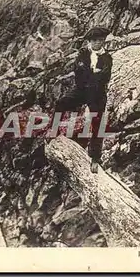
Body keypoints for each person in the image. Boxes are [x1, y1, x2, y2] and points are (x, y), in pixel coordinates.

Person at [54, 27, 113, 173]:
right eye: (95, 41)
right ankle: (53, 132)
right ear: (90, 41)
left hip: (97, 93)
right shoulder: (83, 53)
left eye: (101, 40)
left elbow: (105, 77)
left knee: (97, 122)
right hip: (81, 90)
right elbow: (78, 73)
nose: (98, 43)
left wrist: (90, 74)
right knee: (61, 103)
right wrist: (93, 74)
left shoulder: (107, 58)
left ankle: (95, 158)